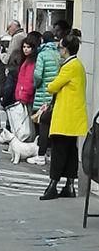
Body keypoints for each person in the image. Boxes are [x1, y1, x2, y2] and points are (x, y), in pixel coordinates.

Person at [40, 33, 88, 201]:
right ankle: (69, 185)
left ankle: (52, 185)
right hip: (74, 117)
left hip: (65, 116)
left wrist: (49, 84)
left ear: (66, 50)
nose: (59, 50)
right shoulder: (78, 65)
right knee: (70, 151)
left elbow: (53, 86)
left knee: (59, 151)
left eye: (60, 47)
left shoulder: (69, 66)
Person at [27, 31, 61, 166]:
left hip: (43, 94)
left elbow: (38, 75)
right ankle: (50, 153)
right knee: (53, 125)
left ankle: (40, 155)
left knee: (43, 125)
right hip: (55, 95)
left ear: (42, 40)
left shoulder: (42, 55)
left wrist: (36, 85)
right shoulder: (59, 54)